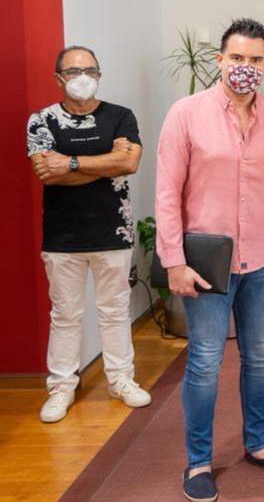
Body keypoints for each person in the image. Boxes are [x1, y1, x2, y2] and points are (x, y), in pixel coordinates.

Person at [156, 18, 264, 502]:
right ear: (219, 60)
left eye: (255, 60)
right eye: (236, 58)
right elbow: (166, 194)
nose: (245, 68)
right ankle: (199, 461)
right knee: (203, 362)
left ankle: (257, 445)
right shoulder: (185, 113)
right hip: (206, 266)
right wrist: (174, 261)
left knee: (260, 358)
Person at [26, 45, 149, 424]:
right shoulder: (41, 121)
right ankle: (62, 387)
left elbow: (129, 162)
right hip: (63, 237)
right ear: (58, 77)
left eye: (90, 69)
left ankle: (120, 379)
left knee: (114, 311)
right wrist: (105, 164)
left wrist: (73, 162)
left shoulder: (120, 116)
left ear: (99, 74)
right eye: (74, 69)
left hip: (112, 229)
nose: (83, 76)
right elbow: (47, 171)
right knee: (65, 315)